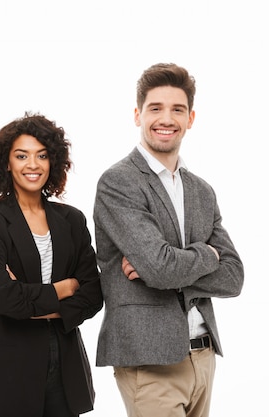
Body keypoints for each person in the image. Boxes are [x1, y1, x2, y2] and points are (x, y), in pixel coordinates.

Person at [94, 63, 244, 417]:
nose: (167, 118)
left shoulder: (201, 191)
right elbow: (160, 268)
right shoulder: (119, 183)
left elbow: (234, 276)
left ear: (191, 118)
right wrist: (207, 254)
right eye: (155, 108)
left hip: (203, 356)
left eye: (177, 109)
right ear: (137, 115)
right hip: (150, 360)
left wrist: (170, 267)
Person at [0, 113, 103, 417]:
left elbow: (92, 296)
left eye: (42, 156)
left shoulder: (72, 220)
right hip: (8, 369)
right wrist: (64, 288)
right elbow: (5, 299)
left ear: (53, 162)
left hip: (65, 368)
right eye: (21, 156)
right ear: (7, 163)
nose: (33, 164)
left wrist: (30, 299)